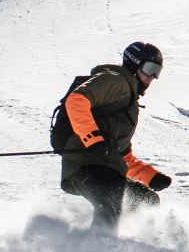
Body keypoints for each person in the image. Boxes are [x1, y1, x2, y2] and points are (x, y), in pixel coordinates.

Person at [54, 41, 174, 232]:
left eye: (157, 71)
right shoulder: (116, 81)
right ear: (134, 64)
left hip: (107, 169)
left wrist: (150, 176)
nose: (152, 77)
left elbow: (122, 155)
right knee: (109, 204)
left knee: (146, 200)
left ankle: (121, 247)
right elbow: (77, 100)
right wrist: (92, 138)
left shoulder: (129, 102)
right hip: (85, 165)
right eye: (150, 68)